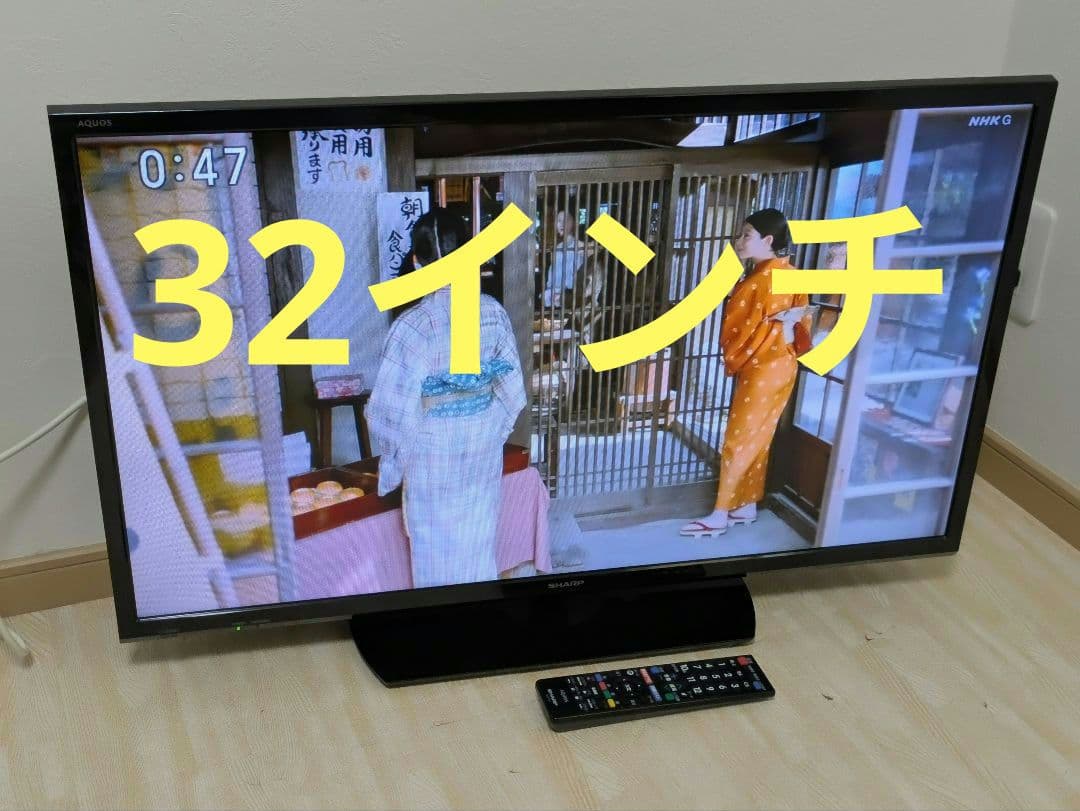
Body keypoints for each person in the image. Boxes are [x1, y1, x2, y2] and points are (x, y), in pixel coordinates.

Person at [365, 208, 527, 586]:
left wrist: (393, 466)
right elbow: (511, 394)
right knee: (477, 551)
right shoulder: (493, 314)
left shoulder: (413, 326)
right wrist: (487, 430)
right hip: (481, 451)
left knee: (437, 562)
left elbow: (389, 414)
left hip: (432, 456)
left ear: (417, 262)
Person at [680, 208, 811, 538]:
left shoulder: (758, 281)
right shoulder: (791, 273)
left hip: (762, 367)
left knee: (738, 439)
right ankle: (747, 505)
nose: (739, 241)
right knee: (760, 436)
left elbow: (740, 330)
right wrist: (783, 325)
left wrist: (755, 335)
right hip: (784, 366)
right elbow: (803, 324)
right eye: (740, 235)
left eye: (746, 235)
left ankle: (720, 513)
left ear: (768, 240)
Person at [542, 209, 589, 308]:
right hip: (554, 296)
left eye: (566, 220)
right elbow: (552, 272)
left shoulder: (580, 246)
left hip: (572, 297)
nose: (562, 224)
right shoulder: (557, 248)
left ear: (574, 222)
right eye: (559, 220)